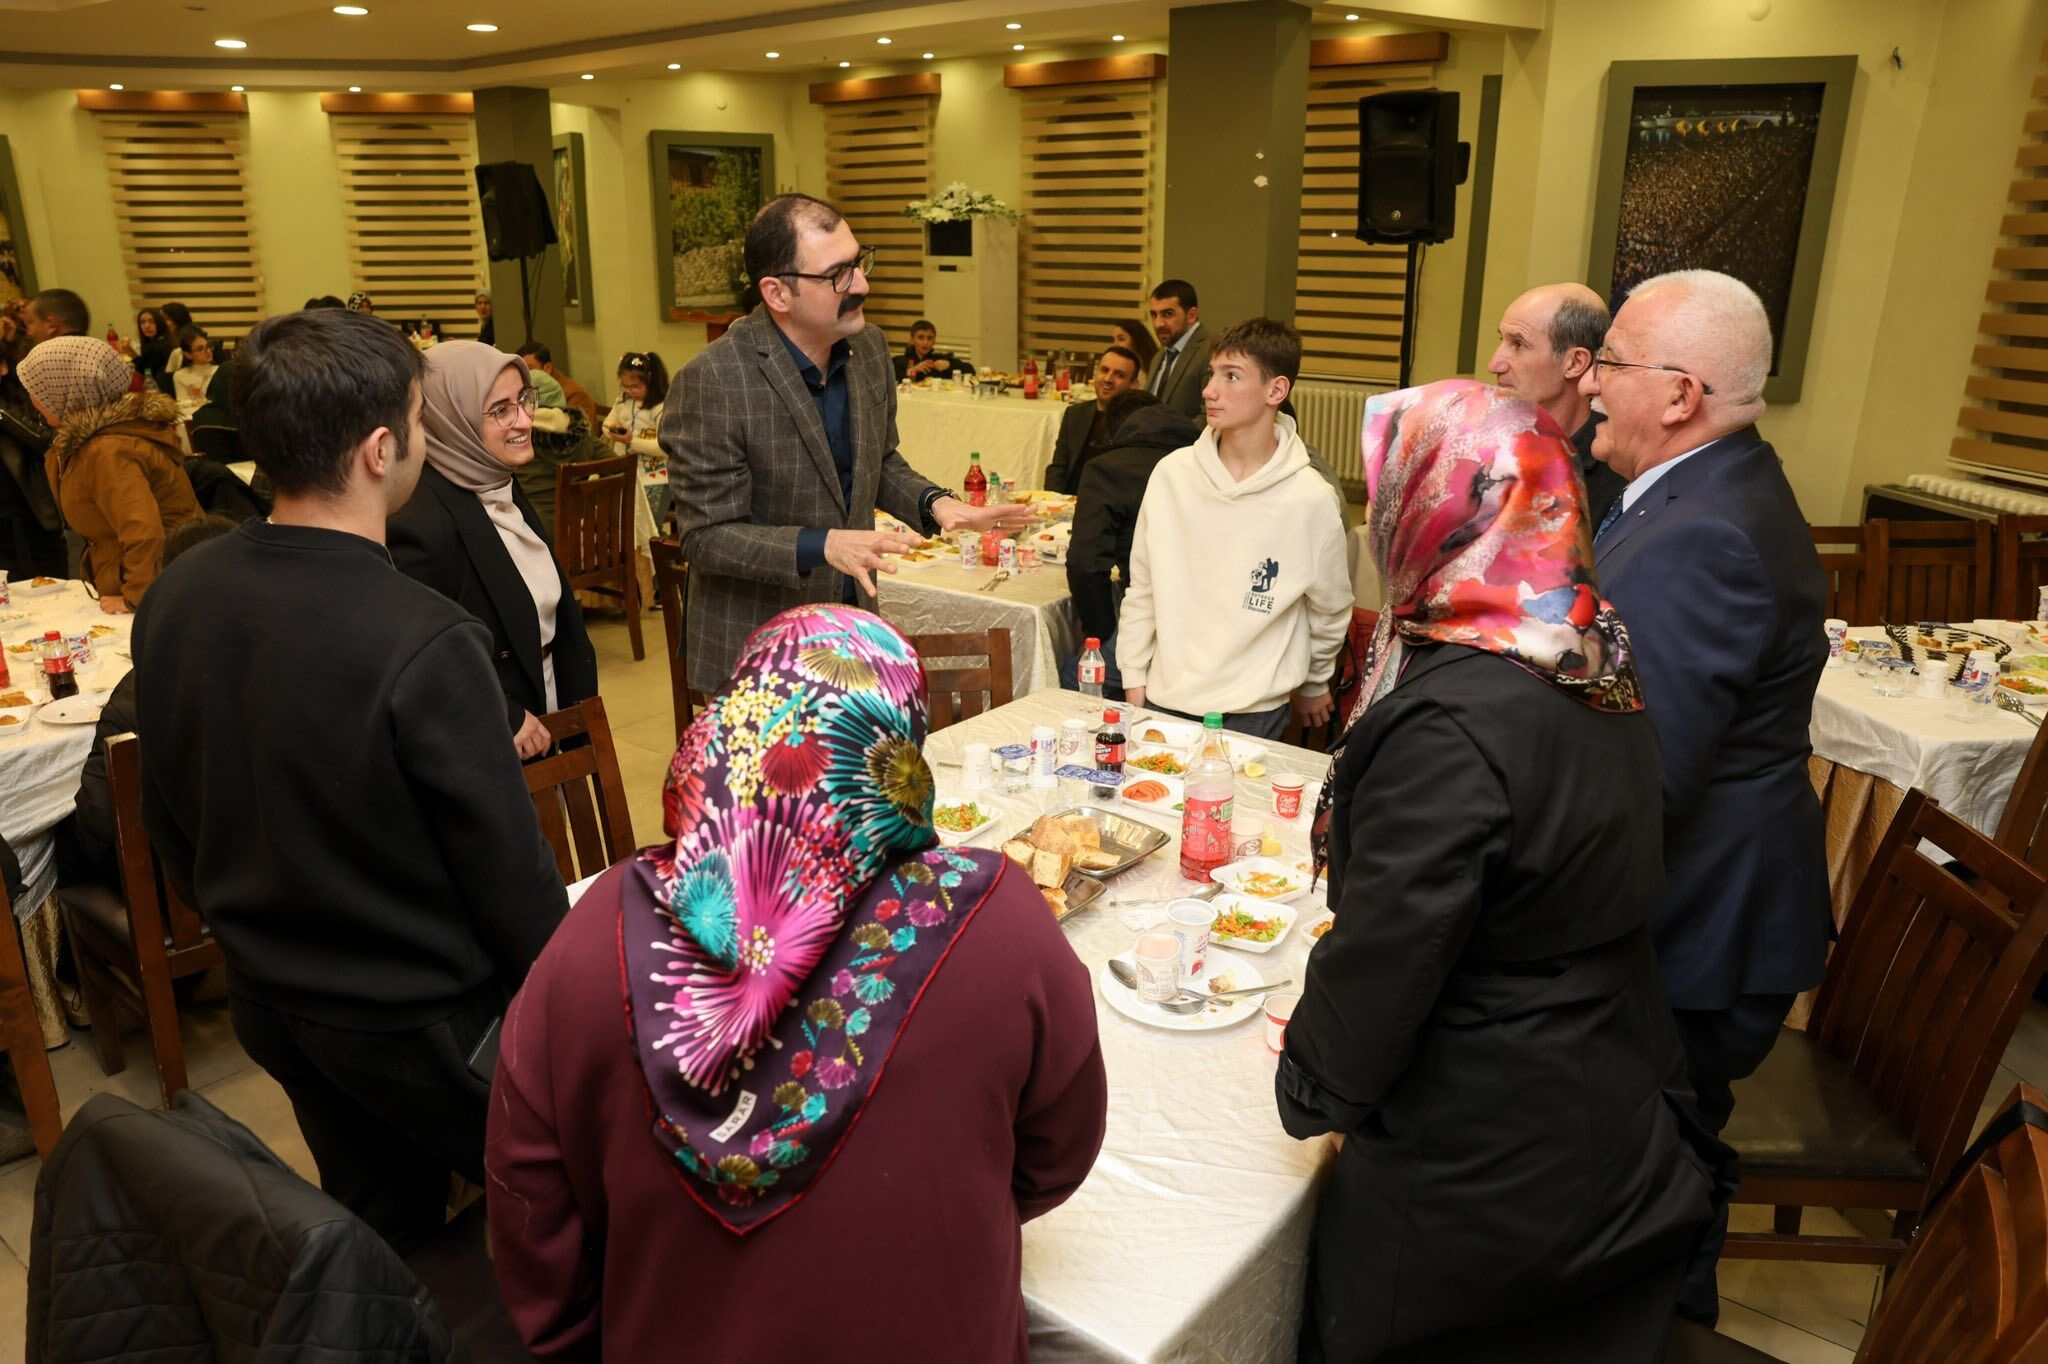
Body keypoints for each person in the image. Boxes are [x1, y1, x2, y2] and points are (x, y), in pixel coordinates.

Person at [485, 603, 1107, 1360]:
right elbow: (1054, 1156)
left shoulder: (589, 943)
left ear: (728, 732)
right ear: (898, 760)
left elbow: (531, 1215)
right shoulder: (1001, 922)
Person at [1279, 378, 1726, 1361]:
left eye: (1386, 496)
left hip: (1491, 1168)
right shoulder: (1584, 647)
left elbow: (1391, 955)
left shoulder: (1452, 717)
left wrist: (1306, 1088)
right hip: (1609, 1091)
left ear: (1436, 511)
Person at [132, 306, 566, 1253]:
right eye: (415, 420)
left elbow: (165, 808)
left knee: (382, 1227)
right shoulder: (424, 636)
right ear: (381, 449)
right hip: (418, 1018)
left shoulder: (180, 590)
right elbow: (508, 879)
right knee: (557, 1215)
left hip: (274, 1000)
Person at [1582, 268, 1830, 1321]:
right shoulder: (1706, 492)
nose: (1587, 380)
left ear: (1679, 394)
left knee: (1649, 1176)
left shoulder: (1699, 535)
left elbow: (1642, 774)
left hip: (1698, 923)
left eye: (1612, 362)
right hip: (1711, 903)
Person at [663, 192, 1028, 693]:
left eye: (859, 263)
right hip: (761, 648)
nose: (862, 284)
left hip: (852, 626)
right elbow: (707, 537)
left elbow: (878, 461)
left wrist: (940, 505)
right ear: (777, 293)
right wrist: (826, 544)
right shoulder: (714, 380)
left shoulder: (869, 348)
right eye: (838, 274)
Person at [1117, 318, 1350, 741]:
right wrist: (1133, 678)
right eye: (1212, 374)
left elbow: (1330, 609)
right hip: (1161, 700)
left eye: (1231, 376)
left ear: (1276, 391)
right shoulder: (1172, 475)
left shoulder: (1310, 498)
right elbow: (1143, 587)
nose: (1209, 390)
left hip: (1253, 712)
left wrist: (1316, 682)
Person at [388, 341, 597, 761]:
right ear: (451, 418)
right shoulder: (419, 521)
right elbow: (419, 660)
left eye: (524, 399)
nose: (524, 419)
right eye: (501, 409)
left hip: (548, 705)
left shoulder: (496, 478)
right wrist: (505, 714)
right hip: (490, 740)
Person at [54, 513, 238, 891]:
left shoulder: (144, 688)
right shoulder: (286, 666)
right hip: (273, 888)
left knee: (61, 838)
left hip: (181, 894)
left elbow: (101, 825)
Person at [17, 337, 198, 611]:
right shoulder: (89, 442)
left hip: (167, 589)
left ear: (67, 389)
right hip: (150, 578)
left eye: (39, 389)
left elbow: (143, 532)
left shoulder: (107, 450)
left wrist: (135, 598)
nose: (33, 398)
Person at [1065, 388, 1184, 695]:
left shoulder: (1109, 468)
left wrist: (1099, 633)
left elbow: (1086, 564)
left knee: (1073, 674)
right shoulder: (1203, 456)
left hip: (1156, 612)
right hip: (1214, 617)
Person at [1489, 282, 1624, 525]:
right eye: (1502, 340)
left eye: (1518, 344)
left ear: (1574, 363)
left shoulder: (1618, 470)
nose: (1495, 364)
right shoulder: (1479, 445)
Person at [1043, 344, 1141, 495]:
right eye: (1104, 370)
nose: (1108, 379)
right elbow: (1058, 468)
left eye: (1119, 375)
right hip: (1069, 502)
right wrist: (1052, 501)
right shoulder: (1075, 414)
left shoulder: (1137, 423)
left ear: (1133, 385)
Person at [1145, 279, 1213, 420]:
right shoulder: (1159, 357)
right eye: (1154, 315)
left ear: (1191, 315)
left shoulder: (1211, 352)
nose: (1158, 324)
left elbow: (1209, 417)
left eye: (1168, 314)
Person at [601, 350, 667, 460]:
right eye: (625, 387)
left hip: (651, 469)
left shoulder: (660, 407)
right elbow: (606, 424)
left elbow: (663, 446)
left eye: (636, 387)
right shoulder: (624, 399)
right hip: (623, 463)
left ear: (650, 380)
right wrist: (613, 430)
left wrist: (630, 441)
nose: (630, 392)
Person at [517, 341, 599, 426]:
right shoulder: (524, 391)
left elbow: (583, 433)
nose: (524, 376)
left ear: (547, 368)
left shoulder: (576, 394)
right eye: (520, 371)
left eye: (529, 369)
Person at [891, 318, 974, 382]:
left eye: (929, 338)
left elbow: (971, 370)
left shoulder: (939, 358)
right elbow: (889, 378)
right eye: (920, 337)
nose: (925, 342)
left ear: (934, 341)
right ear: (911, 340)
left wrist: (949, 365)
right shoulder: (901, 361)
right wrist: (914, 370)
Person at [168, 327, 216, 421]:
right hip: (191, 418)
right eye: (200, 349)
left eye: (208, 346)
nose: (207, 351)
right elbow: (182, 405)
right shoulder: (180, 376)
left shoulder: (219, 371)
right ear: (188, 355)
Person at [128, 307, 175, 394]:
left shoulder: (159, 346)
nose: (146, 326)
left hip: (162, 393)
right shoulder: (165, 340)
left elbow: (140, 369)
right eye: (142, 322)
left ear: (160, 323)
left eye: (151, 321)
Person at [24, 288, 88, 345]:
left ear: (52, 325)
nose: (29, 333)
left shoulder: (38, 355)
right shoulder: (95, 350)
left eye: (30, 322)